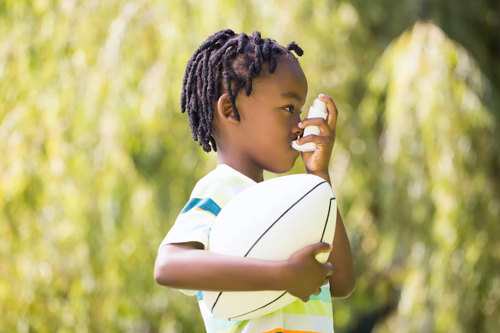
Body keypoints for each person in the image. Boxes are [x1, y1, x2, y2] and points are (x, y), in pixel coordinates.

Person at [154, 29, 355, 333]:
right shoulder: (221, 189)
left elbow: (341, 282)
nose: (299, 125)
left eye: (300, 112)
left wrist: (319, 177)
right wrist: (282, 276)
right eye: (288, 109)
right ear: (230, 110)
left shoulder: (295, 205)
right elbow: (168, 265)